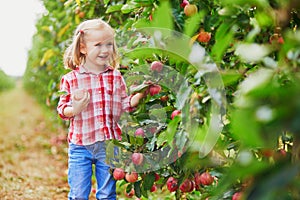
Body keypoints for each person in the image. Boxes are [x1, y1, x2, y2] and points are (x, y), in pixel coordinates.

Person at [57, 18, 145, 200]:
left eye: (109, 45)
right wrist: (75, 109)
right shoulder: (71, 79)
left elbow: (123, 105)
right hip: (81, 145)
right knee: (79, 194)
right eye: (98, 45)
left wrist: (139, 95)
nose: (105, 50)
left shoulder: (115, 76)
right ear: (83, 48)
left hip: (109, 145)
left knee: (106, 194)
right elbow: (62, 109)